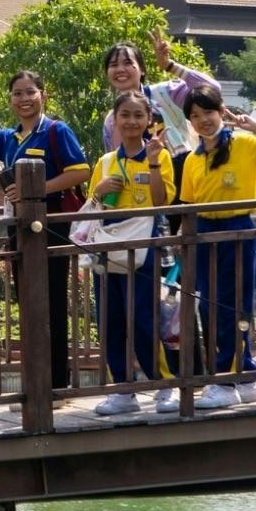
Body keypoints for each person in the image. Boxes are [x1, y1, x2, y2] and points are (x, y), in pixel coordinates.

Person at [0, 66, 90, 390]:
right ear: (11, 99)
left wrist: (38, 188)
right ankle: (36, 381)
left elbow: (81, 171)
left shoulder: (56, 131)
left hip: (51, 225)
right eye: (17, 93)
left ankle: (56, 383)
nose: (24, 98)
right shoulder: (8, 138)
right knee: (28, 303)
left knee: (51, 303)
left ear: (43, 95)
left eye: (30, 92)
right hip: (20, 229)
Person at [175, 84, 256, 410]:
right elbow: (187, 207)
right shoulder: (192, 159)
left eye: (208, 112)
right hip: (203, 232)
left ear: (221, 111)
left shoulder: (243, 143)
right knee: (208, 306)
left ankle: (225, 380)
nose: (203, 121)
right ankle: (245, 375)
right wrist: (184, 250)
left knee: (232, 306)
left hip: (237, 228)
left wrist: (253, 125)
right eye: (195, 116)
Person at [87, 92, 174, 416]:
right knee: (110, 320)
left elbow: (161, 201)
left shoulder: (160, 156)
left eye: (138, 115)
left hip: (143, 249)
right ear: (115, 119)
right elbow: (91, 208)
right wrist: (99, 191)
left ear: (148, 119)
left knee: (143, 317)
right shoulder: (105, 162)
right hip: (108, 249)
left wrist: (152, 161)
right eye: (125, 115)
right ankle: (123, 389)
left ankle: (163, 385)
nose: (131, 121)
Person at [100, 29, 214, 151]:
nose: (120, 69)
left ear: (142, 69)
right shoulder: (111, 121)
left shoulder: (166, 93)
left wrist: (169, 65)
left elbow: (211, 89)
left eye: (127, 63)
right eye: (113, 65)